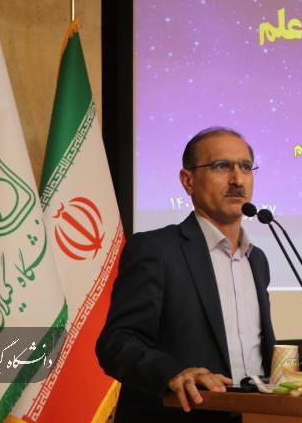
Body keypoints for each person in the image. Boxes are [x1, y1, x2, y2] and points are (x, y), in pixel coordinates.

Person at [97, 127, 276, 422]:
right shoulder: (155, 250)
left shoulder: (257, 260)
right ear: (188, 180)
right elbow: (117, 342)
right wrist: (172, 373)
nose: (237, 179)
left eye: (245, 167)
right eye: (222, 166)